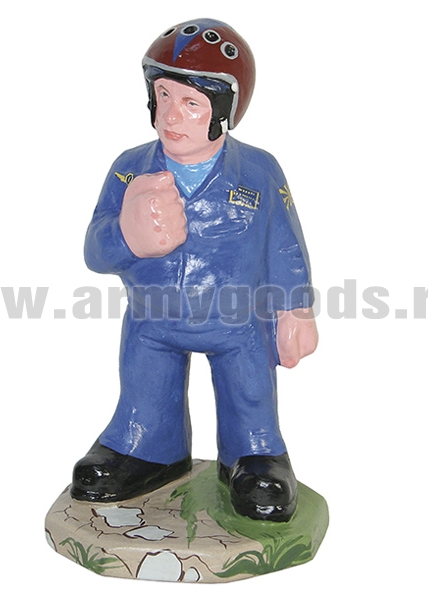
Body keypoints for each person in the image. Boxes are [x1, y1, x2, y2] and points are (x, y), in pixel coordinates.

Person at [70, 19, 318, 522]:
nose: (170, 115)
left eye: (190, 103)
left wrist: (296, 308)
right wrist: (126, 235)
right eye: (163, 96)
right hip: (152, 322)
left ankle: (253, 454)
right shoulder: (129, 168)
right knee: (145, 391)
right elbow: (96, 251)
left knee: (249, 395)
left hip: (238, 324)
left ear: (224, 112)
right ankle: (147, 446)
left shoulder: (259, 172)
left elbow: (285, 243)